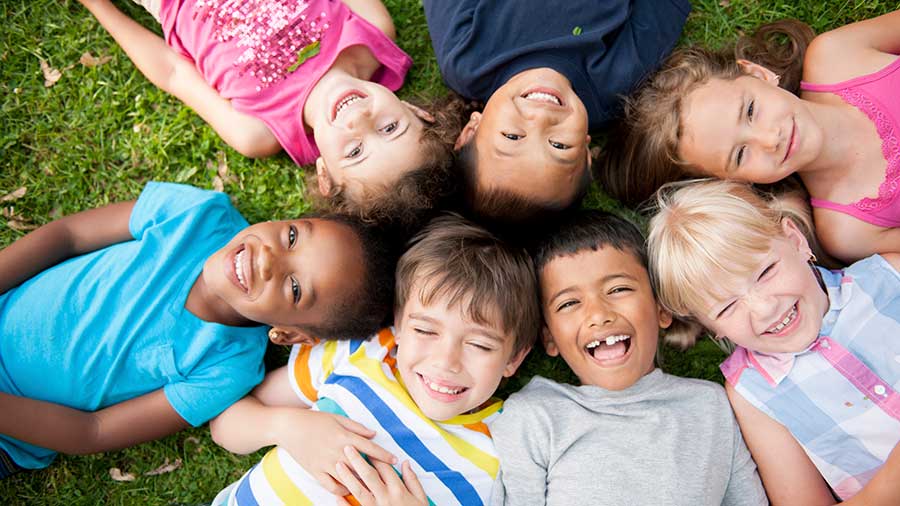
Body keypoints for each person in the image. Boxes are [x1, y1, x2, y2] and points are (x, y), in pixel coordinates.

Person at [0, 182, 395, 478]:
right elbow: (68, 236)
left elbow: (93, 432)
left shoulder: (227, 370)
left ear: (290, 334)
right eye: (292, 236)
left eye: (294, 288)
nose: (270, 259)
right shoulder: (202, 215)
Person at [207, 213, 539, 506]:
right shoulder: (363, 353)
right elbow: (225, 422)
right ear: (399, 323)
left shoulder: (501, 456)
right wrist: (287, 427)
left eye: (479, 345)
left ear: (514, 357)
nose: (446, 361)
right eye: (425, 330)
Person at [76, 0, 459, 227]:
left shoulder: (258, 131)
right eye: (390, 127)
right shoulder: (373, 34)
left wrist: (98, 5)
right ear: (416, 111)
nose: (358, 121)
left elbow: (173, 72)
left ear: (325, 173)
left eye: (355, 151)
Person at [488, 209, 767, 505]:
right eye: (569, 303)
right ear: (549, 338)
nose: (598, 315)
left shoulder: (712, 408)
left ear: (662, 308)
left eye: (619, 289)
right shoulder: (534, 417)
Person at [647, 179, 900, 505]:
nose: (764, 309)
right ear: (711, 327)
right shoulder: (753, 392)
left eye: (765, 272)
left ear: (795, 241)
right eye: (727, 307)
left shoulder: (889, 277)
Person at [603, 9, 900, 263]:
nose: (770, 139)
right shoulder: (847, 229)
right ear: (737, 183)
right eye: (740, 154)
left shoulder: (837, 55)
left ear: (758, 74)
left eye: (750, 111)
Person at [423, 0, 689, 223]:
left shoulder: (466, 59)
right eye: (559, 145)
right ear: (585, 154)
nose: (540, 119)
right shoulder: (614, 84)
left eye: (512, 137)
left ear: (471, 132)